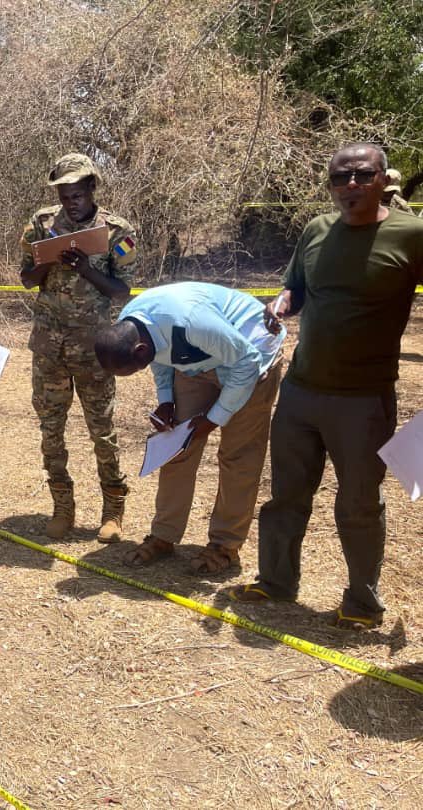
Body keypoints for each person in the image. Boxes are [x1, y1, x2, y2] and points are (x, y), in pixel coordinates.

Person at [227, 143, 423, 630]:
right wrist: (283, 302)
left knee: (358, 504)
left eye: (361, 176)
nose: (350, 187)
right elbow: (295, 283)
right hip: (300, 392)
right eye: (340, 178)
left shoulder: (412, 234)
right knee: (286, 495)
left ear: (383, 178)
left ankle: (362, 603)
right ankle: (276, 581)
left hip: (363, 401)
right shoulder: (316, 231)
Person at [94, 282, 285, 573]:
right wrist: (166, 400)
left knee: (238, 457)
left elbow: (247, 362)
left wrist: (214, 419)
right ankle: (164, 536)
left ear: (139, 350)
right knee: (176, 447)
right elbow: (159, 357)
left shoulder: (192, 321)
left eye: (134, 368)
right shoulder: (134, 323)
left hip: (251, 358)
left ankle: (225, 545)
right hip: (197, 363)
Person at [18, 154, 138, 542]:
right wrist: (48, 260)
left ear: (91, 189)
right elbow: (26, 279)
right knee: (51, 429)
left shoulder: (117, 232)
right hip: (50, 346)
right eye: (63, 194)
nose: (70, 201)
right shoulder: (40, 224)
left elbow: (122, 290)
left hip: (95, 348)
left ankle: (113, 509)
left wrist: (87, 269)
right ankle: (62, 506)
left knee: (101, 430)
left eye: (77, 193)